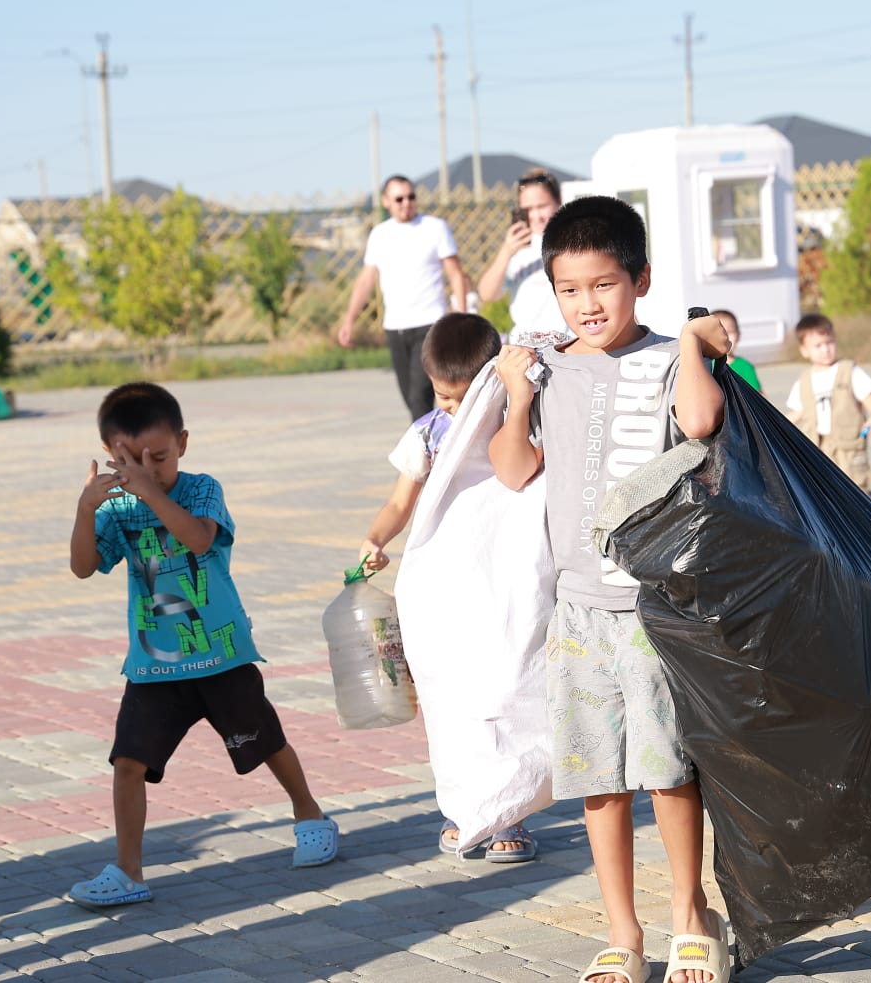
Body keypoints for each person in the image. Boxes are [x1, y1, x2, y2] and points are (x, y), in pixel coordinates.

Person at [490, 196, 733, 983]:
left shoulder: (668, 358)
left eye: (604, 285)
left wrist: (693, 341)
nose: (588, 304)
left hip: (657, 608)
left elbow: (699, 424)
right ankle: (622, 935)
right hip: (579, 612)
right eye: (570, 289)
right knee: (598, 779)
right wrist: (518, 394)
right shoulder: (550, 365)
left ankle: (692, 919)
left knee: (667, 771)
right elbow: (513, 468)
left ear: (641, 280)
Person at [67, 382, 337, 908]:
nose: (148, 470)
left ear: (183, 443)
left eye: (159, 458)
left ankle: (310, 814)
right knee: (128, 761)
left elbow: (198, 538)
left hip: (221, 656)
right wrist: (84, 510)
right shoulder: (115, 508)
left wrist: (151, 490)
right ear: (110, 456)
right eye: (131, 461)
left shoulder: (201, 489)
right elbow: (82, 568)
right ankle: (128, 870)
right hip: (154, 664)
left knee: (264, 741)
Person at [356, 312, 538, 863]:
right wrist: (375, 539)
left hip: (503, 578)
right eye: (442, 396)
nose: (452, 409)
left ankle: (510, 815)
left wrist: (519, 393)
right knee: (449, 697)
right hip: (441, 584)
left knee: (507, 689)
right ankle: (463, 811)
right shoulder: (428, 433)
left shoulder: (517, 418)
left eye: (463, 397)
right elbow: (399, 502)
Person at [337, 175, 469, 420]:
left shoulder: (434, 227)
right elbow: (366, 279)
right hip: (396, 326)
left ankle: (427, 456)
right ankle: (439, 444)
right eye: (399, 198)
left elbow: (456, 275)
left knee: (420, 395)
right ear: (386, 202)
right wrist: (349, 321)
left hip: (430, 324)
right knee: (410, 398)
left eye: (411, 197)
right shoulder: (380, 234)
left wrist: (460, 320)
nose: (406, 203)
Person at [784, 313, 871, 492]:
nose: (825, 349)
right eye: (818, 346)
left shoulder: (849, 370)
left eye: (829, 342)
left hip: (848, 445)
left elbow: (867, 395)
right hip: (817, 446)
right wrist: (779, 427)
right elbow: (798, 412)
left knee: (856, 486)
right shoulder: (804, 380)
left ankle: (864, 515)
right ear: (804, 350)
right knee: (825, 488)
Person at [477, 168, 571, 347]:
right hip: (525, 347)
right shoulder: (518, 247)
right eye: (527, 209)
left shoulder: (574, 240)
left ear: (558, 201)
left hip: (567, 344)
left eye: (542, 206)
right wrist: (506, 252)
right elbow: (487, 294)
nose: (536, 216)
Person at [711, 309, 762, 393]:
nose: (725, 336)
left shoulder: (745, 367)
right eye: (719, 332)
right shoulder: (704, 365)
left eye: (730, 332)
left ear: (738, 335)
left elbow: (757, 397)